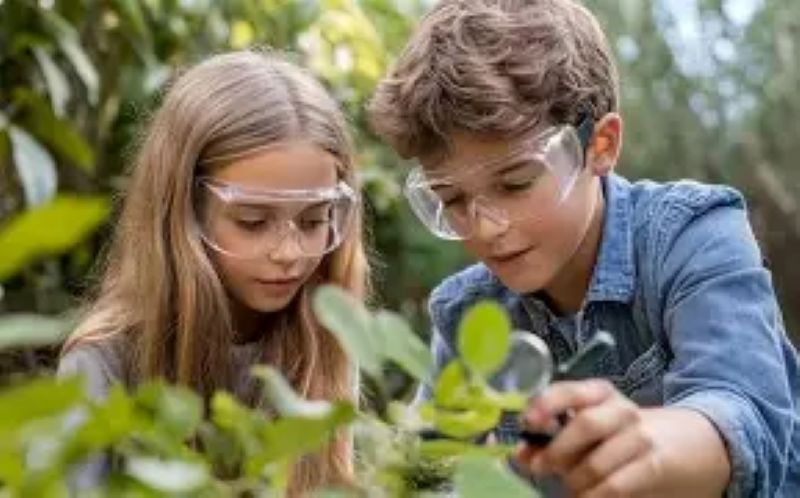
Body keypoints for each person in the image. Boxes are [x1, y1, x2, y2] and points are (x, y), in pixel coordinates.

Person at [367, 1, 800, 496]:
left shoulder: (692, 237)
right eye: (452, 200)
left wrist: (647, 446)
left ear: (601, 144)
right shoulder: (468, 313)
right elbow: (424, 474)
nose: (485, 228)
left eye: (516, 183)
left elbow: (745, 414)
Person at [58, 49, 368, 496]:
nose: (288, 252)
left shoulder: (326, 337)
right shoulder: (104, 361)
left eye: (314, 220)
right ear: (184, 210)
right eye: (252, 222)